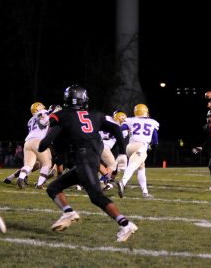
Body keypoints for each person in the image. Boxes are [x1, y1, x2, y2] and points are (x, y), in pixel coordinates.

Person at [38, 84, 138, 242]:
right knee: (53, 188)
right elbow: (117, 129)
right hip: (90, 158)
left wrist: (47, 141)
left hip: (84, 158)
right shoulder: (95, 114)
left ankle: (126, 225)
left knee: (96, 196)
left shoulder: (62, 115)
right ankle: (68, 213)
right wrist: (122, 152)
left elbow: (44, 144)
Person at [117, 103, 159, 199]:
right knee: (134, 164)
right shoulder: (152, 122)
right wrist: (154, 145)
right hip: (141, 146)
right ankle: (123, 182)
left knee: (141, 167)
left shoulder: (130, 120)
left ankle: (145, 193)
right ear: (146, 112)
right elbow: (155, 137)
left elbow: (120, 129)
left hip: (130, 147)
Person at [17, 101, 52, 189]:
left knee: (29, 164)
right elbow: (45, 122)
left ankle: (21, 177)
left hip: (27, 142)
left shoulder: (30, 120)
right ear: (39, 108)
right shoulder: (43, 112)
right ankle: (39, 184)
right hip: (37, 141)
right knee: (47, 164)